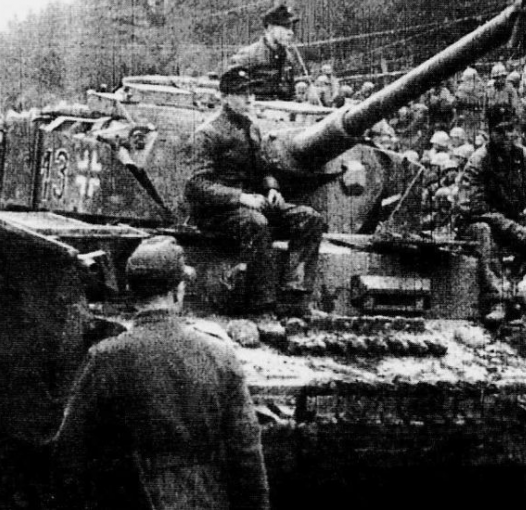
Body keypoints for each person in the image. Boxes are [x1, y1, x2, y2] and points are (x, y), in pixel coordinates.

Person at [53, 236, 270, 510]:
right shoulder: (219, 354)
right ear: (178, 291)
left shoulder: (106, 357)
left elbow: (71, 453)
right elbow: (247, 456)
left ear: (132, 292)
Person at [185, 67, 326, 315]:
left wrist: (271, 188)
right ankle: (262, 306)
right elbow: (197, 186)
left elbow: (264, 168)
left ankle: (295, 296)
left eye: (251, 93)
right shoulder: (208, 133)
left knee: (309, 219)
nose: (249, 99)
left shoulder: (252, 128)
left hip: (252, 203)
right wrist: (240, 197)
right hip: (216, 212)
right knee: (258, 224)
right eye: (242, 93)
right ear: (225, 97)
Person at [459, 104, 526, 324]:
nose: (507, 136)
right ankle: (496, 299)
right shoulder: (479, 161)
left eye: (510, 129)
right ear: (490, 133)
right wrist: (513, 228)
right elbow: (475, 208)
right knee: (485, 233)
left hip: (511, 222)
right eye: (500, 131)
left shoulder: (523, 157)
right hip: (477, 223)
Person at [229, 3, 300, 100]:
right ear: (270, 28)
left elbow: (291, 93)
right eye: (286, 27)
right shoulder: (249, 55)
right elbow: (231, 91)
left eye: (292, 28)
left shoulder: (288, 58)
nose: (291, 33)